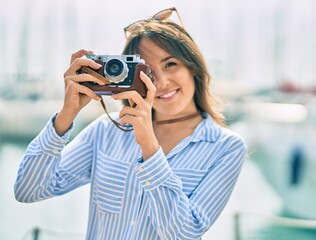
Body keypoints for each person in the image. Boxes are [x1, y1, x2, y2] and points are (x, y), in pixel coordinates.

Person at [14, 7, 247, 240]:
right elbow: (28, 190)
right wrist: (67, 114)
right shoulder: (106, 130)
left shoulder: (227, 146)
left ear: (193, 66)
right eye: (147, 70)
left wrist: (150, 149)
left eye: (170, 64)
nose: (162, 82)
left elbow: (184, 233)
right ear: (131, 76)